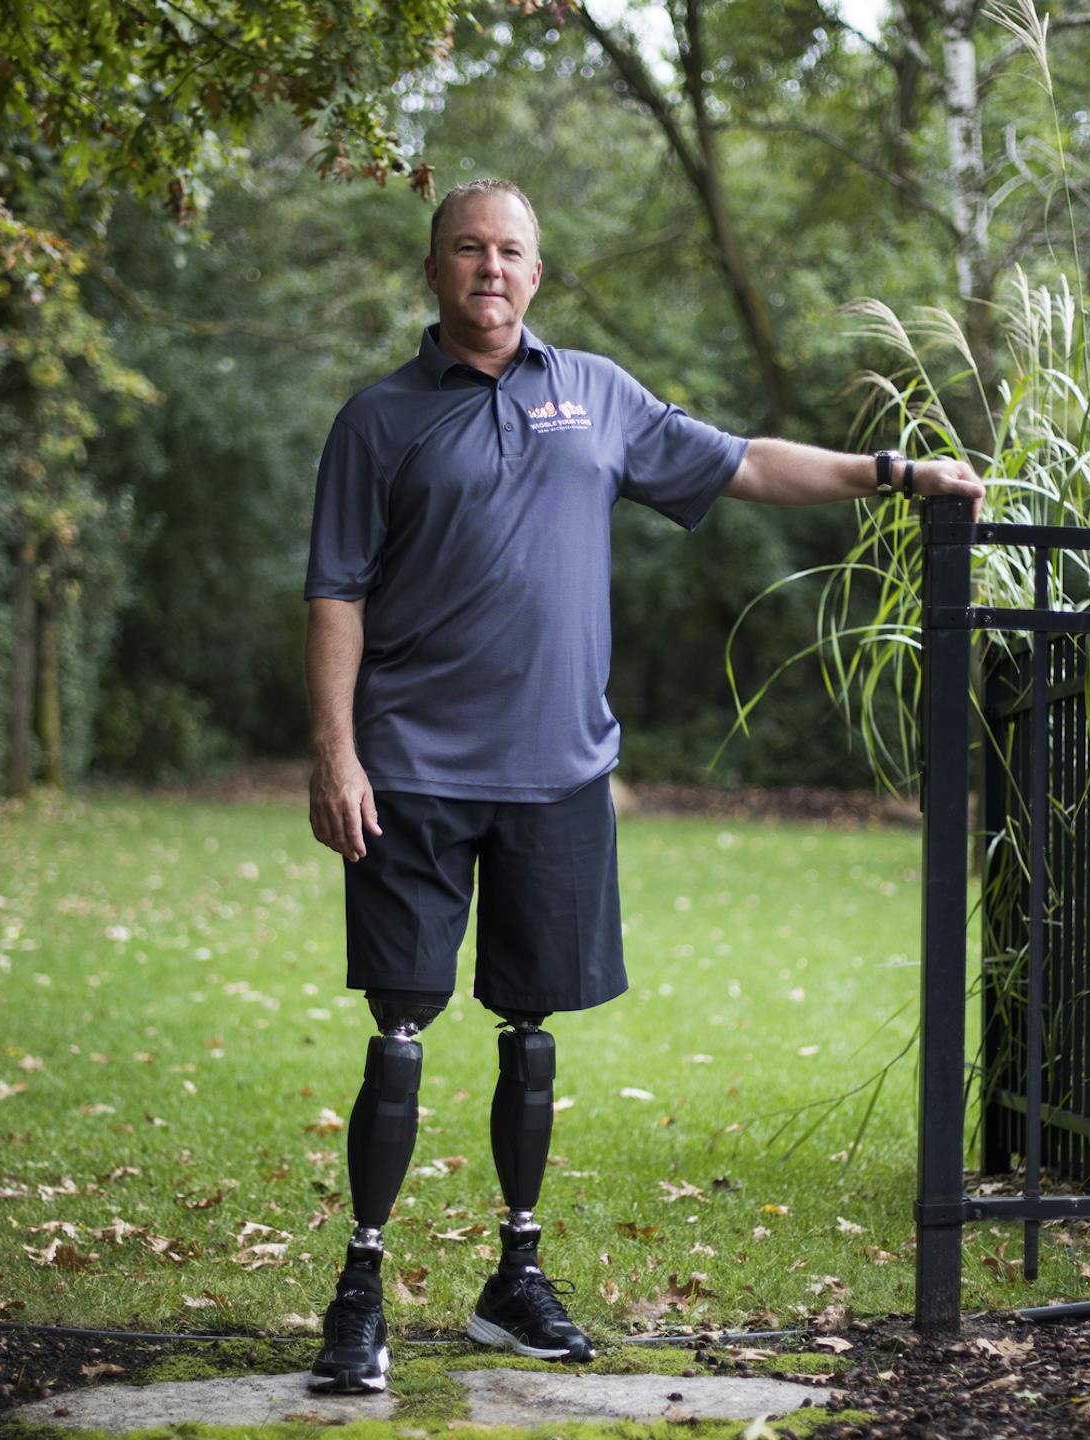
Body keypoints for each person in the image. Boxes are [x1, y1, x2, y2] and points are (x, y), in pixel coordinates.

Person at [300, 179, 984, 1394]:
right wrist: (337, 752)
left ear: (538, 272)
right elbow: (336, 590)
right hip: (410, 772)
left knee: (530, 1028)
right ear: (433, 269)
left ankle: (515, 1278)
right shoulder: (378, 419)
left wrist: (893, 470)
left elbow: (745, 467)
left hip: (560, 773)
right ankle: (359, 1289)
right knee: (401, 1027)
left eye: (511, 251)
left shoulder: (597, 395)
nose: (491, 270)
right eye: (468, 249)